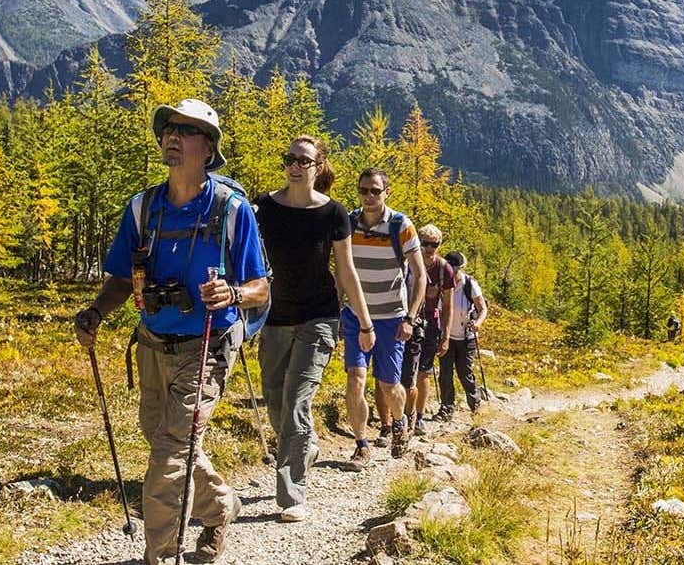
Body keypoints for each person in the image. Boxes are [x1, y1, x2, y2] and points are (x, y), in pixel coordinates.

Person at [73, 98, 269, 564]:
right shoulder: (143, 209)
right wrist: (96, 312)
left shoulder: (231, 210)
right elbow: (123, 278)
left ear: (208, 147)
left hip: (206, 347)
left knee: (168, 457)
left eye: (185, 129)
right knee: (167, 440)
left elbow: (261, 286)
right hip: (151, 344)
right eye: (168, 129)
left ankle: (160, 556)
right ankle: (221, 508)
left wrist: (234, 296)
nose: (172, 136)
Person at [252, 136, 372, 522]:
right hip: (273, 316)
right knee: (275, 398)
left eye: (303, 160)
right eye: (289, 158)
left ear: (319, 166)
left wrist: (365, 321)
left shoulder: (334, 213)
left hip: (319, 317)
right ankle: (307, 445)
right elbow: (245, 257)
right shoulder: (264, 207)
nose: (294, 166)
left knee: (297, 401)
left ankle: (292, 495)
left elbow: (346, 271)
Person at [342, 169, 429, 463]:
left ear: (386, 192)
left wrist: (410, 319)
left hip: (391, 317)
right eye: (364, 190)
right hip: (356, 314)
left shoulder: (400, 225)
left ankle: (400, 424)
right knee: (356, 379)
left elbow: (420, 275)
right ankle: (361, 443)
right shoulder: (349, 223)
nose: (369, 196)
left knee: (390, 385)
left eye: (375, 191)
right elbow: (341, 269)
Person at [403, 224, 455, 438]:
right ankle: (404, 414)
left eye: (434, 244)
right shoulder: (407, 264)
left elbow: (448, 306)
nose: (429, 248)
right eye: (424, 243)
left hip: (431, 324)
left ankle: (419, 417)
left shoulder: (444, 269)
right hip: (407, 320)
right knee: (405, 371)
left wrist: (446, 336)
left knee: (424, 372)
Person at [436, 251, 489, 421]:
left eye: (455, 269)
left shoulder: (469, 284)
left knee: (464, 372)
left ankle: (475, 404)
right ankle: (446, 409)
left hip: (467, 337)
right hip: (446, 336)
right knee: (445, 373)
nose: (452, 272)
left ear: (460, 268)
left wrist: (478, 323)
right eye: (449, 269)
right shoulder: (442, 284)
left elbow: (482, 309)